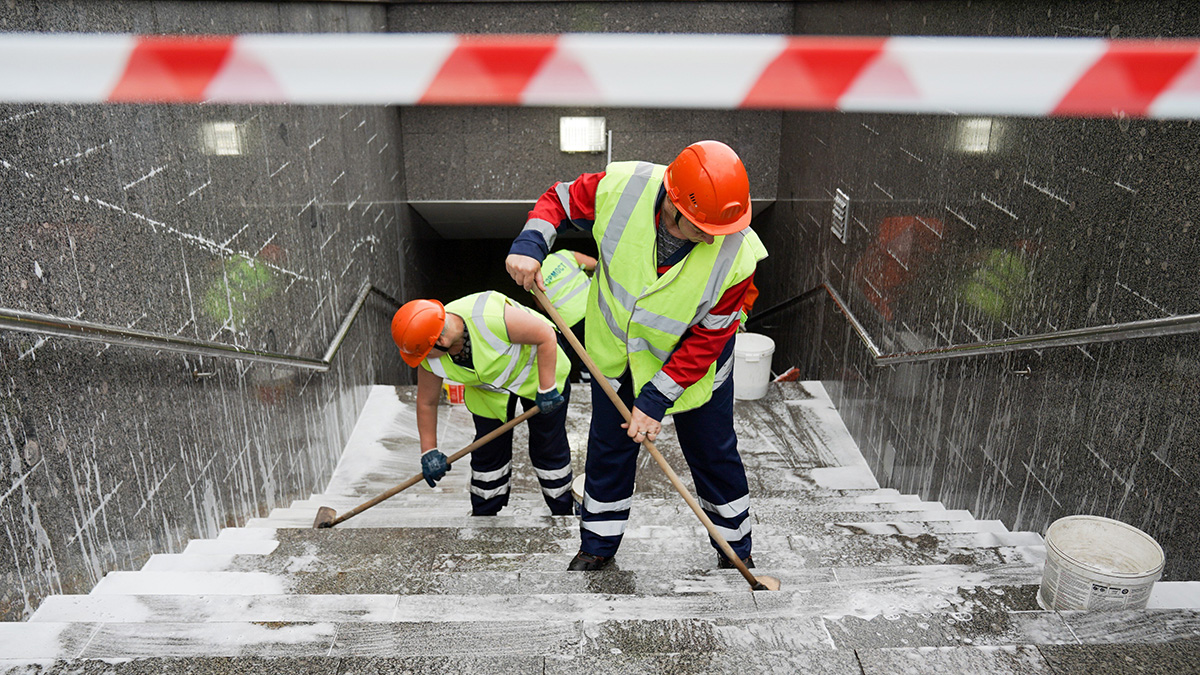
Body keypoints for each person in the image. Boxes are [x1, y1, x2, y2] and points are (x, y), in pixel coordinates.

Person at [506, 140, 767, 570]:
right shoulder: (623, 187)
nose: (713, 239)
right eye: (702, 228)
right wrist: (530, 243)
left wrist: (655, 401)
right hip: (618, 356)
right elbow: (560, 198)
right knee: (608, 449)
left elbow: (708, 338)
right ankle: (597, 546)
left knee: (713, 453)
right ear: (674, 203)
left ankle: (735, 550)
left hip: (695, 369)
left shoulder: (738, 254)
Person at [391, 291, 574, 516]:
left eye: (425, 353)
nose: (424, 359)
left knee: (547, 444)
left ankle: (563, 507)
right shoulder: (429, 346)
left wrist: (546, 389)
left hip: (539, 373)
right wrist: (428, 451)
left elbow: (545, 335)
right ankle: (484, 512)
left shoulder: (490, 319)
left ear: (440, 341)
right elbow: (426, 402)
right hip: (489, 394)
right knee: (488, 451)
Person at [540, 249, 597, 381]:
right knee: (595, 347)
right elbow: (594, 263)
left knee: (575, 351)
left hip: (569, 321)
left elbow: (542, 306)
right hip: (591, 310)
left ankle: (582, 377)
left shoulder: (533, 275)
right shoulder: (563, 255)